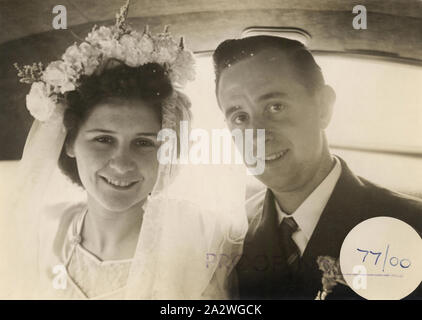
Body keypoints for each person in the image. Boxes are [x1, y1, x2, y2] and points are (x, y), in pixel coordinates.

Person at [0, 2, 243, 299]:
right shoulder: (41, 233)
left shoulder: (200, 245)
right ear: (70, 143)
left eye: (143, 143)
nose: (122, 163)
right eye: (103, 139)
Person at [212, 35, 422, 299]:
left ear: (323, 107)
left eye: (275, 107)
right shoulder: (228, 238)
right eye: (240, 117)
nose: (257, 135)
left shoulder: (413, 225)